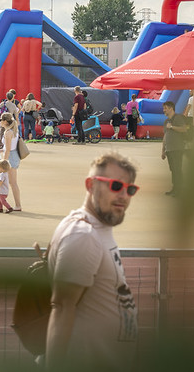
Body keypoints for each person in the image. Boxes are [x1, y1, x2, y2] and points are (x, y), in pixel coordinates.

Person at [46, 152, 139, 371]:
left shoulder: (96, 227)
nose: (123, 195)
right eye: (115, 186)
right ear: (90, 185)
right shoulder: (83, 235)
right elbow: (61, 308)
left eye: (130, 189)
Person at [161, 100, 188, 196]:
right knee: (173, 169)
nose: (164, 110)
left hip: (177, 148)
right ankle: (175, 188)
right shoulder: (166, 121)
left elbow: (184, 129)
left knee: (177, 169)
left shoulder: (178, 118)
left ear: (171, 108)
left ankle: (179, 189)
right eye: (163, 108)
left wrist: (172, 127)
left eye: (165, 108)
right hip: (169, 149)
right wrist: (163, 150)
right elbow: (165, 136)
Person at [0, 113, 22, 210]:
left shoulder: (8, 132)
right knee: (7, 181)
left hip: (10, 157)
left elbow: (8, 149)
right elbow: (9, 147)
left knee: (12, 182)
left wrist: (4, 161)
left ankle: (18, 205)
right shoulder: (13, 131)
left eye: (1, 120)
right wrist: (1, 150)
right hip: (13, 155)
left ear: (5, 121)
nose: (0, 121)